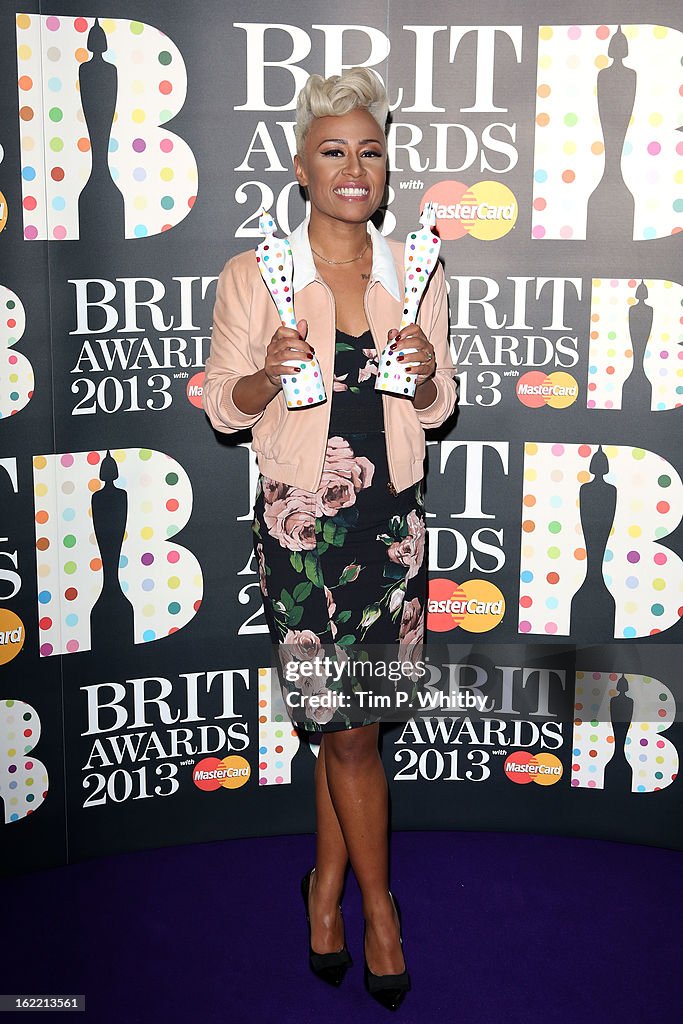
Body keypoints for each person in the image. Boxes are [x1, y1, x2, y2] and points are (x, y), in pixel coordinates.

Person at [203, 67, 457, 1011]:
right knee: (347, 732)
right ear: (300, 166)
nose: (355, 167)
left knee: (350, 729)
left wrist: (429, 372)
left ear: (385, 170)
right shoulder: (253, 275)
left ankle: (324, 893)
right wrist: (267, 374)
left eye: (370, 151)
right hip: (303, 527)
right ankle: (379, 911)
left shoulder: (415, 270)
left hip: (389, 523)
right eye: (333, 150)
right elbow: (227, 411)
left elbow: (438, 409)